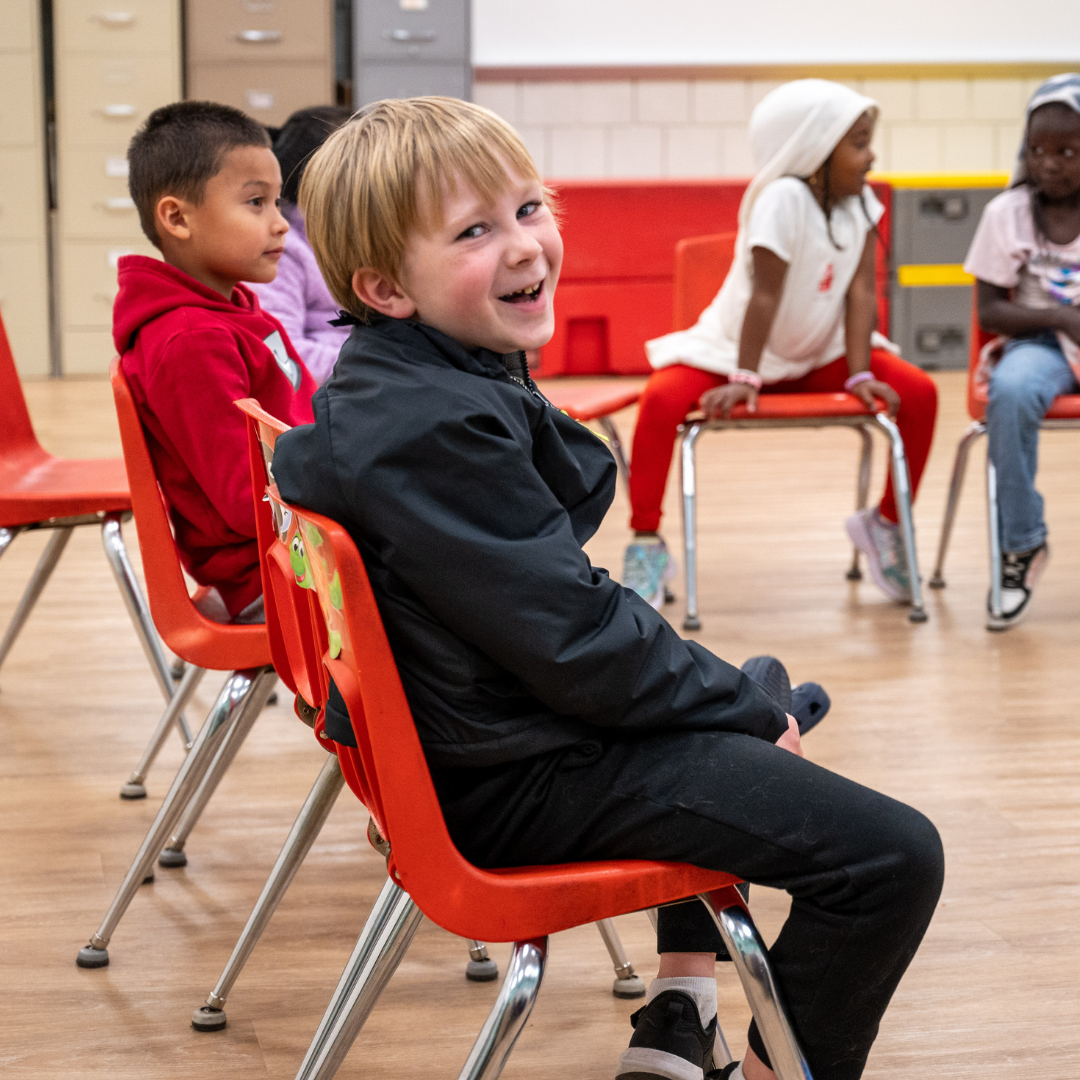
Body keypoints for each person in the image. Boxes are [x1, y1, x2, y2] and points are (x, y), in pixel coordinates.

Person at [271, 97, 943, 1080]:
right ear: (385, 285)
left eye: (529, 208)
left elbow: (566, 549)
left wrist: (741, 704)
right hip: (516, 780)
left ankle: (679, 1013)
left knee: (752, 677)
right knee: (893, 856)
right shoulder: (430, 427)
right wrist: (749, 718)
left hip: (506, 737)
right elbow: (578, 640)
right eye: (474, 231)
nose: (524, 246)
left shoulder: (417, 384)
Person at [623, 80, 938, 610]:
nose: (871, 155)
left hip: (820, 352)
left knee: (921, 393)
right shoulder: (781, 200)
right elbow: (765, 297)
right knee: (658, 401)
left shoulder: (859, 203)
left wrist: (859, 373)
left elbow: (862, 292)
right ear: (814, 151)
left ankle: (883, 524)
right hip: (738, 353)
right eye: (858, 143)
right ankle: (646, 541)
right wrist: (746, 377)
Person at [114, 101, 317, 624]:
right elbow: (245, 499)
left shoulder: (235, 311)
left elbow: (310, 409)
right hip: (272, 572)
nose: (281, 226)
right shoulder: (190, 341)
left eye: (277, 203)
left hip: (299, 543)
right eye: (256, 203)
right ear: (177, 218)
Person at [963, 73, 1080, 630]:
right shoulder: (1006, 213)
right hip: (1041, 343)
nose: (1049, 163)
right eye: (1037, 149)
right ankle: (1023, 545)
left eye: (1066, 151)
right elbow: (990, 312)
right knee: (1009, 390)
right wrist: (1059, 317)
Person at [252, 105, 355, 385]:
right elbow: (282, 355)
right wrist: (376, 368)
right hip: (332, 396)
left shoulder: (349, 228)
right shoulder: (281, 248)